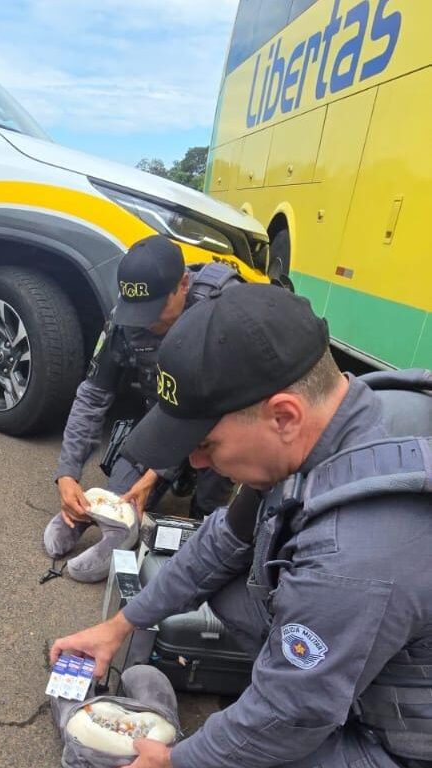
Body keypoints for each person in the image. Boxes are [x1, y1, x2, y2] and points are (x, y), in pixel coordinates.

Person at [51, 283, 432, 768]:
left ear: (283, 416)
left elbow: (288, 718)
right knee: (229, 582)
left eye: (207, 443)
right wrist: (121, 624)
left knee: (269, 741)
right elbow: (219, 542)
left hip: (404, 741)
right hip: (378, 632)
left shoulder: (350, 560)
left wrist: (175, 762)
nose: (194, 461)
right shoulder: (356, 411)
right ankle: (304, 668)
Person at [45, 234, 238, 583]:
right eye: (139, 312)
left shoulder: (219, 311)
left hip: (215, 420)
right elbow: (91, 397)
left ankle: (205, 516)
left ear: (183, 284)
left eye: (156, 311)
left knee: (211, 510)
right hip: (160, 420)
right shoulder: (125, 318)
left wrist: (156, 475)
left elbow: (222, 406)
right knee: (121, 503)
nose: (146, 323)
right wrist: (68, 473)